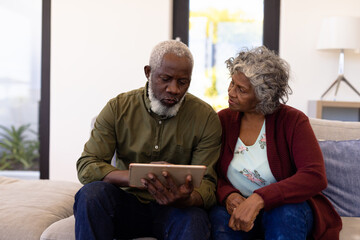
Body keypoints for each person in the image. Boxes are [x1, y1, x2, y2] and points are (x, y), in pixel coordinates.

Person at [73, 40, 222, 240]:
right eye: (165, 79)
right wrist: (138, 177)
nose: (174, 89)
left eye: (182, 82)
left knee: (194, 218)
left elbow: (209, 185)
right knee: (91, 195)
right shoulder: (118, 108)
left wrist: (186, 199)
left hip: (175, 209)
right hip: (127, 203)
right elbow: (87, 165)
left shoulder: (205, 117)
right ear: (148, 72)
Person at [209, 46, 342, 240]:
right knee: (221, 222)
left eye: (241, 90)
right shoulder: (223, 120)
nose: (231, 92)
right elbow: (211, 173)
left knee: (284, 215)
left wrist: (260, 198)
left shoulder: (293, 121)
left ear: (263, 95)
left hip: (284, 207)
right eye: (231, 83)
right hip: (239, 206)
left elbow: (314, 176)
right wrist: (228, 195)